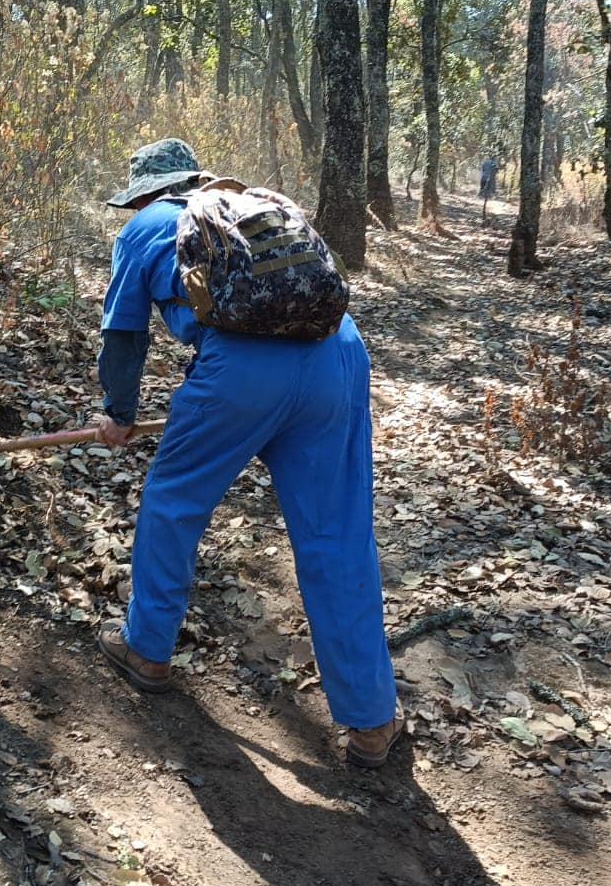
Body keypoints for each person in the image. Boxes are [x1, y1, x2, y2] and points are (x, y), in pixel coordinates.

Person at [92, 138, 402, 768]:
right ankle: (372, 721)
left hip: (239, 374)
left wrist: (118, 414)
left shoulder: (144, 227)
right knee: (337, 536)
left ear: (144, 192)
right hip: (339, 357)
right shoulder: (246, 205)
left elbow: (124, 333)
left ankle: (147, 648)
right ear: (195, 178)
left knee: (173, 503)